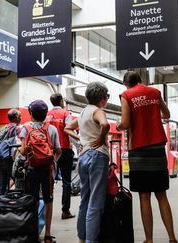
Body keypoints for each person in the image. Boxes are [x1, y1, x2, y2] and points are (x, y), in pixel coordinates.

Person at [117, 71, 178, 243]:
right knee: (161, 195)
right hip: (157, 148)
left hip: (139, 149)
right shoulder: (154, 92)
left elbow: (126, 123)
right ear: (140, 80)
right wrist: (153, 117)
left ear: (126, 84)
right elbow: (167, 115)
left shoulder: (126, 95)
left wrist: (120, 126)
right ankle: (172, 238)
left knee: (144, 196)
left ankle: (149, 240)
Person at [64, 82, 110, 243]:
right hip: (97, 157)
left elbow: (67, 128)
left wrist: (80, 139)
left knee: (85, 199)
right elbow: (105, 124)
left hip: (83, 157)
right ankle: (91, 240)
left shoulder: (83, 112)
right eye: (107, 96)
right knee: (96, 202)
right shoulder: (98, 111)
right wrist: (101, 138)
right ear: (102, 98)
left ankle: (82, 238)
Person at [18, 100, 61, 243]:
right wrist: (51, 160)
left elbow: (24, 151)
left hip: (32, 170)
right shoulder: (52, 129)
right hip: (47, 171)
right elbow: (58, 151)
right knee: (48, 201)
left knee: (33, 201)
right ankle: (48, 235)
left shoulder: (26, 129)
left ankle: (34, 233)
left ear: (30, 113)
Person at [47, 93, 75, 219]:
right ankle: (65, 211)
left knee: (49, 181)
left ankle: (48, 209)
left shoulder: (47, 115)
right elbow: (70, 130)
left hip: (50, 151)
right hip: (64, 150)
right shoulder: (65, 114)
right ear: (62, 101)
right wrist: (79, 143)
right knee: (66, 181)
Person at [0, 109, 21, 196]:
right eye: (20, 116)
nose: (21, 118)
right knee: (19, 182)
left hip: (1, 158)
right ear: (17, 117)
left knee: (2, 185)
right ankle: (19, 204)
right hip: (10, 159)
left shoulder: (4, 128)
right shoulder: (17, 129)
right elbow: (20, 144)